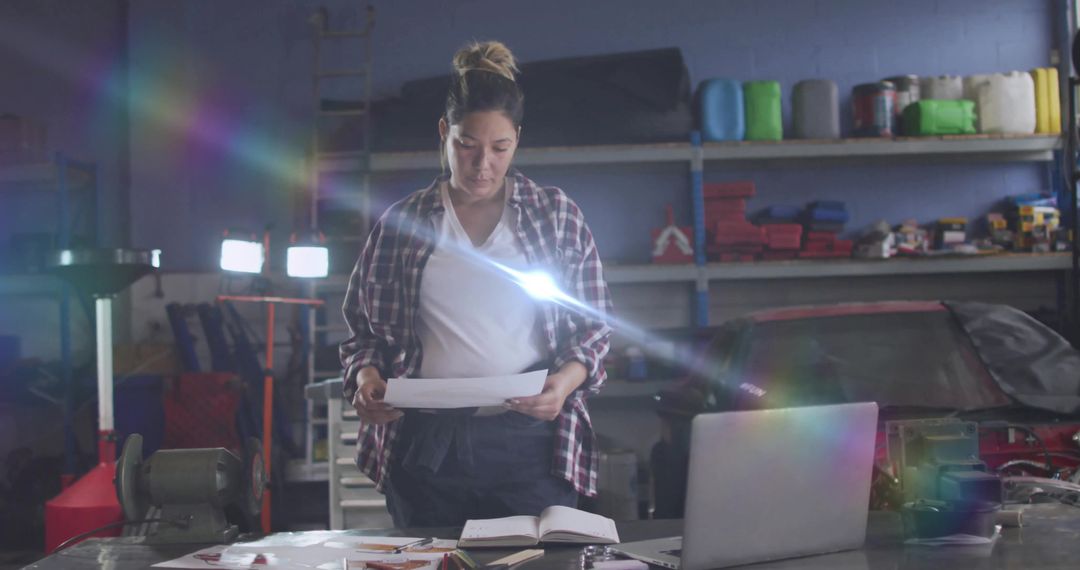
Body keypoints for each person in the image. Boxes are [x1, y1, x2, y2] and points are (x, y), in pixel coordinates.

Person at [339, 40, 613, 528]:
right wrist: (366, 382)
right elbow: (363, 335)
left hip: (527, 446)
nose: (481, 163)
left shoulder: (556, 216)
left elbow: (594, 329)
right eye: (467, 144)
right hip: (427, 449)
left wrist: (563, 386)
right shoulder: (403, 224)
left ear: (517, 142)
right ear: (444, 134)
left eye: (499, 147)